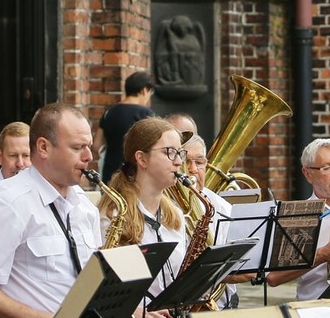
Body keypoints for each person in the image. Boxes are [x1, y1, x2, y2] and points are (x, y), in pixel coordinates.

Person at [0, 103, 103, 318]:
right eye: (78, 147)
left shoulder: (84, 204)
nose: (89, 156)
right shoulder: (6, 201)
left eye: (89, 146)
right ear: (43, 147)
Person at [99, 117, 188, 299]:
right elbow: (112, 292)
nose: (178, 162)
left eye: (180, 153)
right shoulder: (113, 216)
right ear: (141, 158)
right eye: (169, 152)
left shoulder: (176, 216)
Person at [264, 138, 330, 300]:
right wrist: (321, 255)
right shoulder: (298, 215)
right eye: (327, 167)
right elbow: (274, 277)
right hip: (314, 307)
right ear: (308, 174)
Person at [183, 134, 248, 309]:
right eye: (186, 162)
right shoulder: (165, 207)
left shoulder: (220, 206)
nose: (193, 169)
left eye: (200, 162)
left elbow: (241, 261)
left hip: (221, 304)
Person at [94, 72, 157, 183]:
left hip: (109, 173)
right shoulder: (145, 114)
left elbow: (96, 145)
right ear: (144, 90)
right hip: (134, 173)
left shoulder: (109, 112)